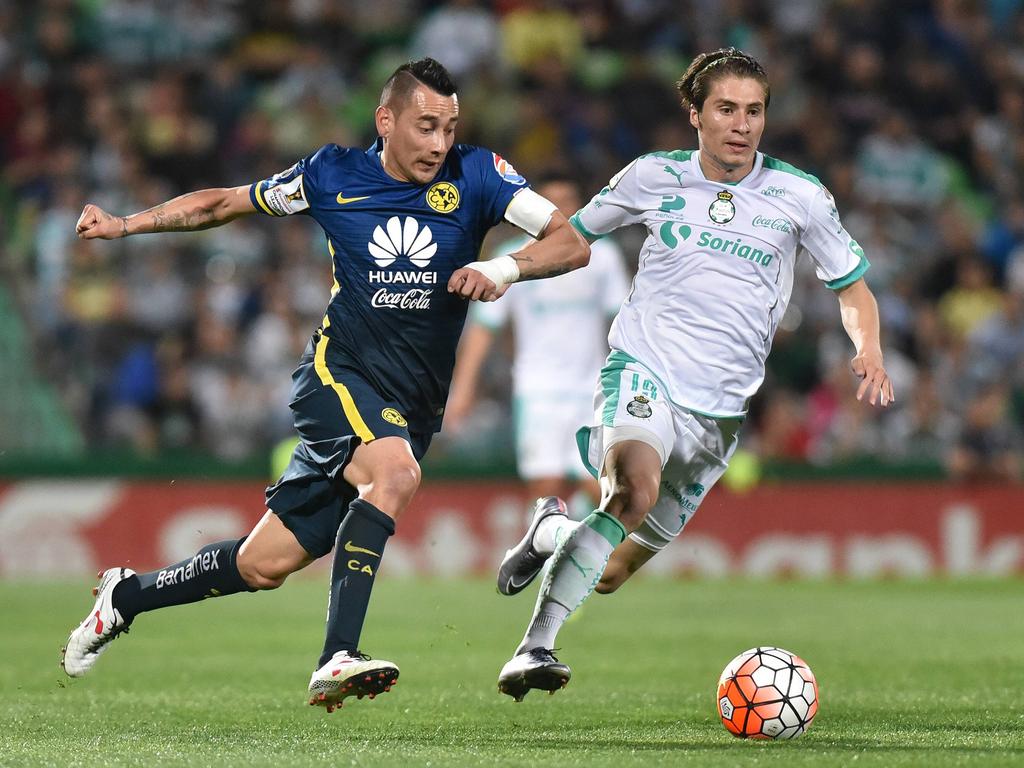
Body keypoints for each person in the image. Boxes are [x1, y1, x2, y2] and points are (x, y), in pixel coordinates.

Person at [61, 57, 589, 713]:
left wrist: (507, 267)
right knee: (393, 477)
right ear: (387, 119)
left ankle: (126, 596)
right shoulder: (330, 174)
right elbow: (224, 203)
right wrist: (126, 224)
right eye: (425, 127)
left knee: (264, 564)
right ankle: (337, 655)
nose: (439, 144)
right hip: (339, 377)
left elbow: (570, 242)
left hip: (411, 402)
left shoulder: (479, 174)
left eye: (449, 128)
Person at [494, 47, 894, 701]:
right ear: (696, 114)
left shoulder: (799, 195)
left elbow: (853, 288)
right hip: (643, 370)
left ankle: (553, 529)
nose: (741, 124)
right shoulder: (653, 177)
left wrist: (868, 348)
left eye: (754, 111)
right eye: (727, 109)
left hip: (720, 412)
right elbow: (576, 236)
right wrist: (507, 267)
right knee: (631, 493)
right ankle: (534, 648)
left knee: (614, 569)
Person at [446, 175, 629, 529]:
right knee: (545, 491)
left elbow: (620, 322)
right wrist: (463, 390)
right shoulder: (511, 259)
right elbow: (485, 327)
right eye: (552, 201)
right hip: (538, 390)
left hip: (592, 388)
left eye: (568, 199)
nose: (561, 209)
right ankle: (549, 564)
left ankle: (589, 558)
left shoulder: (603, 257)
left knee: (600, 487)